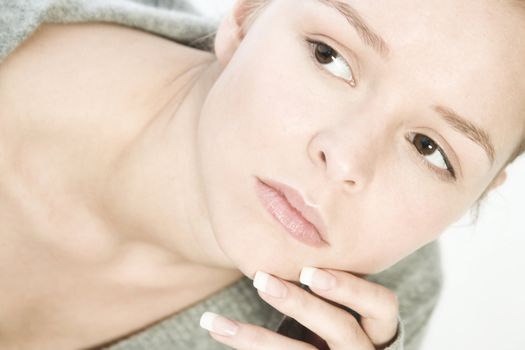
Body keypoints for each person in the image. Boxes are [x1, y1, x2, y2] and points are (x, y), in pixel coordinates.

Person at [0, 0, 523, 349]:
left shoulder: (369, 320)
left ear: (480, 191)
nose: (345, 159)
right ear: (249, 14)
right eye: (329, 57)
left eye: (429, 149)